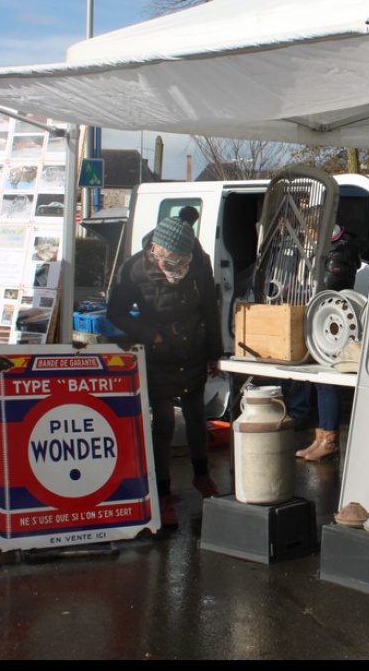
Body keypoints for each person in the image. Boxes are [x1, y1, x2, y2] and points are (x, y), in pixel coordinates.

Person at [107, 215, 223, 531]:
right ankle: (163, 493)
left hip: (194, 350)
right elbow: (115, 311)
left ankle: (202, 475)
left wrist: (215, 352)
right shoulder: (133, 270)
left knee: (198, 417)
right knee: (164, 424)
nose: (177, 267)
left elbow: (210, 308)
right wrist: (150, 334)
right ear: (155, 250)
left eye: (182, 261)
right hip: (159, 355)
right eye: (170, 261)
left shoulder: (199, 263)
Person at [297, 225, 361, 462]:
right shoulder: (332, 247)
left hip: (334, 318)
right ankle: (322, 436)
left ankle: (330, 440)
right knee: (319, 380)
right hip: (325, 315)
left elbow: (329, 282)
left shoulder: (339, 250)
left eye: (308, 231)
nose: (306, 236)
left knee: (328, 380)